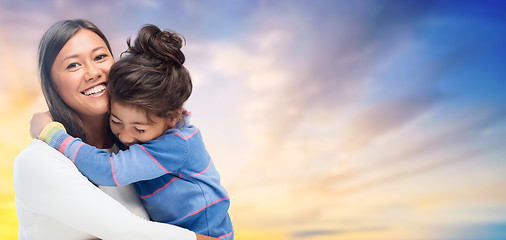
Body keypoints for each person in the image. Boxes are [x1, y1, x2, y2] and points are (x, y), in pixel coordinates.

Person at [13, 19, 222, 240]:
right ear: (50, 83)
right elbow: (131, 233)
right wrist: (51, 134)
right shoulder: (37, 161)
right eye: (73, 64)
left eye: (100, 57)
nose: (92, 72)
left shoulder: (133, 147)